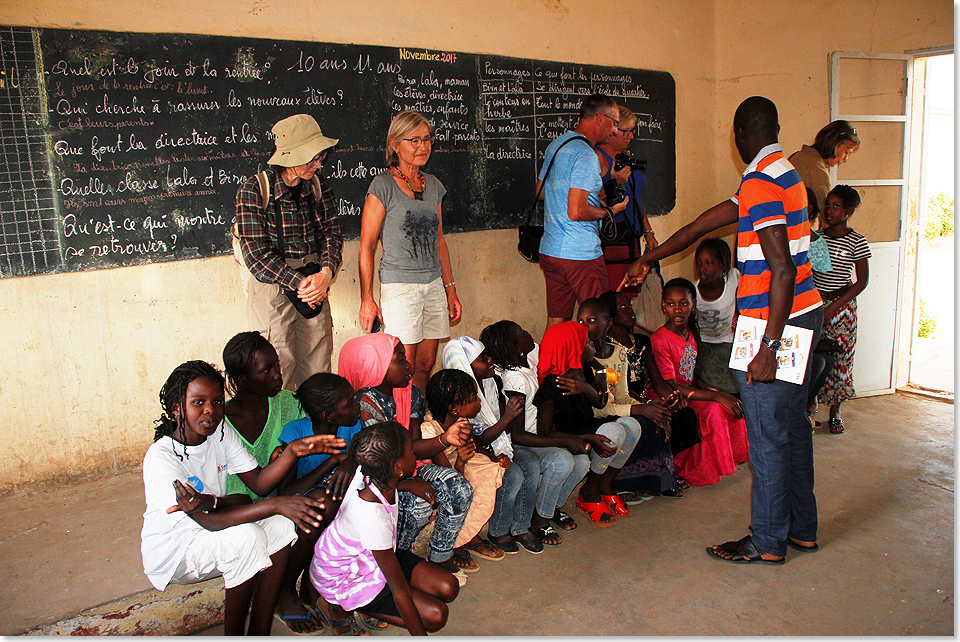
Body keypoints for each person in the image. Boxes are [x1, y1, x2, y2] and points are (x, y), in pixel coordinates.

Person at [621, 96, 824, 564]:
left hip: (773, 322)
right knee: (792, 427)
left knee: (767, 435)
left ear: (738, 136)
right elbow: (696, 227)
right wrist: (648, 257)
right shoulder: (784, 173)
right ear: (775, 128)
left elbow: (781, 270)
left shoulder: (759, 182)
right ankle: (801, 529)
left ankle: (768, 541)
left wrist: (769, 345)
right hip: (804, 313)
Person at [141, 361, 345, 636]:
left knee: (281, 526)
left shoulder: (220, 433)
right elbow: (206, 521)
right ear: (177, 408)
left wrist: (293, 451)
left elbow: (259, 484)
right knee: (248, 536)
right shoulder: (161, 457)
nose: (210, 410)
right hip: (177, 551)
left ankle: (259, 632)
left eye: (216, 401)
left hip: (215, 532)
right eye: (198, 402)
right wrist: (273, 504)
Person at [337, 333, 474, 575]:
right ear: (375, 365)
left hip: (409, 463)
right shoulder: (364, 403)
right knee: (417, 504)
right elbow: (379, 460)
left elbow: (411, 445)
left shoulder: (412, 394)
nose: (409, 366)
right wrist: (408, 484)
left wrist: (444, 439)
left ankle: (440, 554)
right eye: (400, 360)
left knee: (458, 486)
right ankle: (397, 557)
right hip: (374, 476)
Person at [310, 421, 459, 635]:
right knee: (436, 616)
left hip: (369, 556)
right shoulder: (373, 519)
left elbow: (357, 461)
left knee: (448, 587)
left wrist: (406, 485)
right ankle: (340, 607)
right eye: (410, 450)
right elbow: (401, 594)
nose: (414, 452)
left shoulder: (370, 470)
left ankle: (371, 605)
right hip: (345, 577)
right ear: (397, 467)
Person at [220, 332, 321, 634]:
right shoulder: (218, 419)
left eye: (277, 365)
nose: (279, 375)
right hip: (237, 510)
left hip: (282, 494)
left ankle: (287, 589)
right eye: (267, 370)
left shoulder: (290, 404)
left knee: (317, 505)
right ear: (240, 378)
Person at [236, 114, 343, 389]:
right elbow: (256, 255)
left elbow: (333, 234)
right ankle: (284, 432)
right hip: (274, 288)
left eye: (321, 157)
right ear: (289, 155)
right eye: (312, 157)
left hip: (315, 282)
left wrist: (325, 274)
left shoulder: (320, 187)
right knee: (277, 369)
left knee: (318, 367)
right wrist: (301, 284)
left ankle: (315, 428)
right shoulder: (255, 189)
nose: (318, 164)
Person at [358, 110, 462, 393]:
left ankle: (415, 419)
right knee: (403, 366)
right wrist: (367, 298)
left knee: (426, 363)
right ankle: (401, 427)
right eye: (413, 140)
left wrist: (450, 289)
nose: (422, 147)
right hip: (401, 286)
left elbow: (440, 241)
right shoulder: (383, 186)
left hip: (432, 285)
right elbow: (366, 244)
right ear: (394, 144)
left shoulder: (434, 186)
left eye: (427, 140)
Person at [274, 372, 375, 635]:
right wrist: (332, 461)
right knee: (321, 504)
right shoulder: (296, 432)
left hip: (341, 501)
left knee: (334, 503)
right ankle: (286, 589)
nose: (357, 406)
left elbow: (364, 459)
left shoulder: (353, 426)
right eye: (350, 403)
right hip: (300, 502)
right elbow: (286, 490)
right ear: (329, 416)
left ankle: (312, 584)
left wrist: (350, 461)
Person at [480, 320, 585, 545]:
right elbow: (517, 436)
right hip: (522, 441)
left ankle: (550, 508)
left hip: (539, 433)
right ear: (517, 349)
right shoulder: (514, 380)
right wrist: (565, 440)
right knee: (562, 460)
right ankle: (538, 521)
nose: (529, 333)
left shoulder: (531, 353)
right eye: (522, 333)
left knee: (582, 462)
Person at [532, 321, 640, 528]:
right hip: (568, 434)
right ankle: (589, 493)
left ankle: (603, 485)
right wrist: (582, 439)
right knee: (614, 431)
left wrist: (588, 389)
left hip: (589, 425)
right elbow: (544, 431)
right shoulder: (552, 384)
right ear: (572, 349)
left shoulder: (585, 370)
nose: (594, 346)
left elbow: (600, 402)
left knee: (632, 426)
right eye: (587, 342)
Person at [537, 93, 629, 329]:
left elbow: (541, 192)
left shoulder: (556, 145)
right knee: (598, 320)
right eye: (615, 123)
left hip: (552, 250)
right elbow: (576, 212)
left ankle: (551, 366)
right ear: (600, 118)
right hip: (580, 254)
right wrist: (608, 212)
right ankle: (598, 366)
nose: (615, 131)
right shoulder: (586, 154)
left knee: (557, 322)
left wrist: (593, 196)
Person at [441, 338, 541, 555]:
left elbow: (502, 431)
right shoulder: (459, 397)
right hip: (479, 449)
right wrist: (506, 420)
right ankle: (498, 530)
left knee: (531, 463)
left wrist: (508, 421)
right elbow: (479, 440)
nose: (490, 360)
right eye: (482, 358)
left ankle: (521, 526)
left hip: (499, 444)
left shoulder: (491, 382)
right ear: (466, 364)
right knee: (512, 475)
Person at [576, 297, 680, 499]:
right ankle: (614, 482)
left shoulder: (619, 353)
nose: (584, 327)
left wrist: (649, 407)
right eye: (580, 321)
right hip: (596, 416)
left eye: (591, 320)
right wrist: (640, 410)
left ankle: (640, 481)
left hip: (614, 410)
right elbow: (598, 408)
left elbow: (621, 395)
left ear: (608, 323)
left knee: (653, 421)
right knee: (638, 422)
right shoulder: (584, 357)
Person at [648, 279, 749, 487]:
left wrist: (709, 388)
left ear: (693, 304)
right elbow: (672, 384)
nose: (677, 309)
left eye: (683, 303)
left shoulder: (688, 333)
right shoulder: (661, 338)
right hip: (670, 395)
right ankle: (699, 469)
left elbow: (689, 372)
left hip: (688, 390)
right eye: (671, 303)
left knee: (730, 402)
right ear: (663, 306)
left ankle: (731, 458)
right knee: (714, 410)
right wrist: (715, 395)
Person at [598, 289, 700, 487]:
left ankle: (661, 470)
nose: (630, 311)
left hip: (645, 397)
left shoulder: (643, 341)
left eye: (629, 305)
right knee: (653, 421)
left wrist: (671, 398)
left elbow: (657, 379)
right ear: (610, 317)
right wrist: (646, 404)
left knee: (684, 416)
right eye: (623, 307)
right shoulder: (607, 348)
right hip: (625, 401)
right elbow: (620, 390)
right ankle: (634, 480)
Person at [420, 369, 511, 559]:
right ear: (454, 407)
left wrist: (494, 458)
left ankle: (469, 534)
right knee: (472, 484)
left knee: (491, 469)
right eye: (473, 398)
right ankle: (457, 541)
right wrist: (461, 461)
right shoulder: (430, 429)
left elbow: (474, 446)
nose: (479, 401)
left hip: (457, 460)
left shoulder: (460, 419)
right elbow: (450, 479)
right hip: (441, 470)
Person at [813, 185, 871, 434]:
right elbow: (811, 274)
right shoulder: (817, 237)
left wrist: (834, 307)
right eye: (827, 205)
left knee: (840, 360)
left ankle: (835, 411)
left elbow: (862, 281)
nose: (829, 210)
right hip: (816, 304)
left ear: (848, 211)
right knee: (815, 358)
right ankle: (810, 406)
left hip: (842, 308)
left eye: (836, 206)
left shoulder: (857, 240)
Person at [594, 105, 658, 293]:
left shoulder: (625, 155)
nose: (630, 137)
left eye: (632, 131)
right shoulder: (597, 157)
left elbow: (636, 195)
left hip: (632, 232)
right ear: (611, 131)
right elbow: (589, 200)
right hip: (612, 235)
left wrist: (648, 231)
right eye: (625, 132)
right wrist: (613, 181)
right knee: (615, 292)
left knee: (631, 291)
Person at [692, 238, 741, 395]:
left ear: (723, 265)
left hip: (729, 343)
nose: (702, 268)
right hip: (704, 346)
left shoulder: (734, 278)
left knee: (738, 385)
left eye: (709, 263)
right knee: (714, 387)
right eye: (699, 263)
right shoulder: (693, 292)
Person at [788, 120, 861, 215]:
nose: (845, 159)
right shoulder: (817, 169)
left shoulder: (798, 156)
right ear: (835, 144)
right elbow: (825, 215)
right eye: (846, 152)